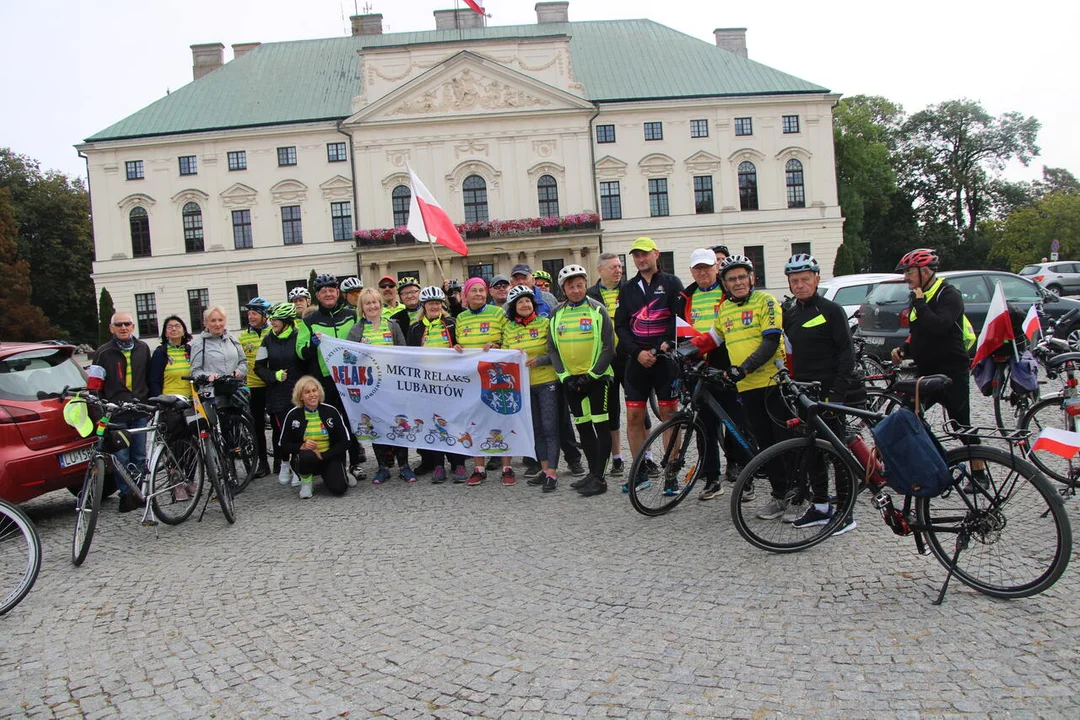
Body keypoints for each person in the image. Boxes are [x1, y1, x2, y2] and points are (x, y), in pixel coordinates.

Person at [689, 254, 789, 519]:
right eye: (732, 279)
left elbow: (769, 342)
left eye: (742, 277)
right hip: (746, 387)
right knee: (766, 443)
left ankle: (801, 493)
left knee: (783, 441)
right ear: (725, 283)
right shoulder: (725, 309)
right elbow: (710, 339)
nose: (738, 282)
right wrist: (682, 351)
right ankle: (781, 495)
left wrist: (742, 368)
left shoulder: (766, 301)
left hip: (773, 382)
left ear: (752, 278)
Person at [781, 253, 862, 534]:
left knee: (838, 451)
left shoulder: (831, 310)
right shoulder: (790, 314)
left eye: (805, 279)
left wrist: (837, 394)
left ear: (816, 279)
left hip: (831, 391)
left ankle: (845, 510)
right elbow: (790, 352)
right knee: (811, 449)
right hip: (804, 393)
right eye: (795, 281)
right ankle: (820, 505)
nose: (800, 285)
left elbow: (846, 354)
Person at [889, 248, 983, 491]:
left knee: (961, 425)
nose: (906, 278)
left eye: (910, 272)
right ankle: (930, 463)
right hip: (926, 372)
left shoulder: (949, 294)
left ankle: (979, 473)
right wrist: (904, 349)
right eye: (905, 273)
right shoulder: (916, 297)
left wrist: (920, 302)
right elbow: (919, 332)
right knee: (909, 416)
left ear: (926, 271)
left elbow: (939, 325)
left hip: (951, 371)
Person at [674, 248, 747, 501]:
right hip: (697, 366)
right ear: (692, 271)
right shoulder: (685, 296)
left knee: (735, 419)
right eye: (698, 268)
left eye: (707, 267)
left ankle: (738, 468)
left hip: (726, 363)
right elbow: (678, 330)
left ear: (716, 268)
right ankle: (711, 477)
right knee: (705, 424)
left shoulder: (728, 292)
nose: (703, 272)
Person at [615, 237, 685, 489]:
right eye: (636, 256)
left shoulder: (671, 283)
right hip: (636, 362)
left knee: (669, 416)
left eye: (645, 254)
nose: (641, 259)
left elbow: (678, 318)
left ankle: (671, 474)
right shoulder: (628, 288)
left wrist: (662, 346)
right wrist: (636, 353)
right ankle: (640, 472)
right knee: (634, 417)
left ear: (655, 254)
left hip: (665, 360)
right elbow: (621, 326)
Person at [549, 265, 616, 497]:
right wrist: (565, 376)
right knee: (584, 428)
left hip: (596, 378)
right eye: (570, 286)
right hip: (572, 381)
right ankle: (591, 472)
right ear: (563, 289)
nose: (576, 290)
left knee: (600, 426)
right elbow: (552, 349)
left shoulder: (598, 310)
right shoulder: (556, 314)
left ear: (585, 285)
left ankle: (600, 478)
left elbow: (609, 347)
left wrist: (593, 375)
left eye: (579, 285)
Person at [347, 288, 412, 483]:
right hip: (371, 388)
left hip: (393, 386)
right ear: (362, 308)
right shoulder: (357, 329)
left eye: (375, 302)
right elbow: (347, 356)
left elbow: (404, 354)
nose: (372, 306)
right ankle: (383, 466)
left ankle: (404, 465)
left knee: (399, 423)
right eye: (368, 303)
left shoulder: (392, 326)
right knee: (376, 425)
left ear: (380, 304)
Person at [407, 286, 470, 484]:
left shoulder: (451, 323)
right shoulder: (415, 328)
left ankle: (458, 462)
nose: (434, 307)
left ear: (441, 305)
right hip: (427, 385)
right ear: (423, 306)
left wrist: (460, 348)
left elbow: (464, 345)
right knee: (433, 424)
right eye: (430, 304)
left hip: (451, 384)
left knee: (454, 422)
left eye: (437, 303)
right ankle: (438, 464)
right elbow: (409, 357)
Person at [305, 273, 365, 480]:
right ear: (317, 296)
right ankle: (336, 462)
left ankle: (356, 461)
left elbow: (362, 338)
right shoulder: (309, 320)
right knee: (331, 421)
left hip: (351, 377)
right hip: (326, 379)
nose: (328, 294)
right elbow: (300, 352)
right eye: (323, 291)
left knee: (352, 419)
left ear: (338, 293)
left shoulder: (351, 314)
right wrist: (311, 346)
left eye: (331, 290)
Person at [92, 311, 152, 513]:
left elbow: (148, 378)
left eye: (127, 324)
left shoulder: (143, 348)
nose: (123, 328)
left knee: (140, 455)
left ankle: (140, 492)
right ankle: (126, 495)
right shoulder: (103, 352)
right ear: (111, 328)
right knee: (121, 457)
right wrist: (99, 410)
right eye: (119, 325)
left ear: (133, 326)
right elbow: (94, 385)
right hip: (116, 414)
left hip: (140, 410)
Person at [503, 285, 560, 491]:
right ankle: (544, 471)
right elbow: (503, 356)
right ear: (513, 307)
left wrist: (540, 359)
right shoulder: (509, 328)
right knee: (535, 430)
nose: (525, 304)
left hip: (547, 382)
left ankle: (553, 473)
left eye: (527, 300)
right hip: (524, 387)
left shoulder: (545, 323)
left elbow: (556, 353)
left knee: (549, 428)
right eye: (520, 302)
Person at [255, 303, 314, 487]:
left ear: (286, 321)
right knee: (281, 431)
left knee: (300, 430)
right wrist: (274, 376)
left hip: (297, 392)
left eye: (275, 320)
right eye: (271, 319)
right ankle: (284, 463)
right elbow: (258, 366)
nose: (272, 323)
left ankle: (298, 467)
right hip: (277, 394)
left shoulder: (298, 336)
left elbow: (306, 361)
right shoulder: (267, 340)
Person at [454, 277, 505, 485]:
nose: (478, 294)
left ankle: (505, 464)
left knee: (498, 419)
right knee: (474, 421)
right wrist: (456, 348)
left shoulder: (499, 313)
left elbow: (508, 339)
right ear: (466, 295)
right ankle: (479, 466)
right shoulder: (461, 318)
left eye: (482, 290)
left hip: (495, 376)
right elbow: (459, 342)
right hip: (471, 379)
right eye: (473, 290)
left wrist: (498, 346)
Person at [587, 251, 627, 477]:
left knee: (637, 409)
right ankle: (617, 458)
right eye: (613, 267)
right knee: (611, 410)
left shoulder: (629, 290)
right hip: (604, 359)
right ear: (600, 270)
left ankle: (647, 457)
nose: (618, 270)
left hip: (629, 357)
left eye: (620, 266)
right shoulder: (590, 294)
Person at [278, 376, 351, 499]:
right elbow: (283, 444)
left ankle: (339, 473)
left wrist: (324, 455)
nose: (312, 395)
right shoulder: (293, 414)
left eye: (314, 390)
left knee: (339, 489)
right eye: (307, 392)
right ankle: (306, 482)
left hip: (328, 456)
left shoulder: (331, 411)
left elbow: (345, 441)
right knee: (307, 454)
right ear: (300, 396)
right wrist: (301, 446)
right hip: (306, 458)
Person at [238, 297, 273, 478]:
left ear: (264, 315)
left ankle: (282, 460)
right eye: (249, 313)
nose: (250, 316)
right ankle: (262, 463)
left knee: (277, 424)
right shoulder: (243, 336)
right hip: (253, 386)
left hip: (272, 385)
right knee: (257, 426)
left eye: (254, 313)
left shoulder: (273, 332)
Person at [189, 306, 246, 385]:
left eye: (220, 320)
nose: (217, 324)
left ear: (225, 321)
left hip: (234, 390)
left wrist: (238, 372)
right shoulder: (199, 343)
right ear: (205, 323)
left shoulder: (233, 340)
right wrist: (209, 377)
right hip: (211, 392)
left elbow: (243, 362)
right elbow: (195, 371)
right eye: (213, 321)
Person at [149, 315, 193, 398]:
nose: (174, 329)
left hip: (191, 401)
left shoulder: (190, 351)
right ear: (165, 333)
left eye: (177, 326)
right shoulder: (160, 352)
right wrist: (159, 401)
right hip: (169, 403)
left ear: (184, 331)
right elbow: (154, 381)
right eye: (170, 327)